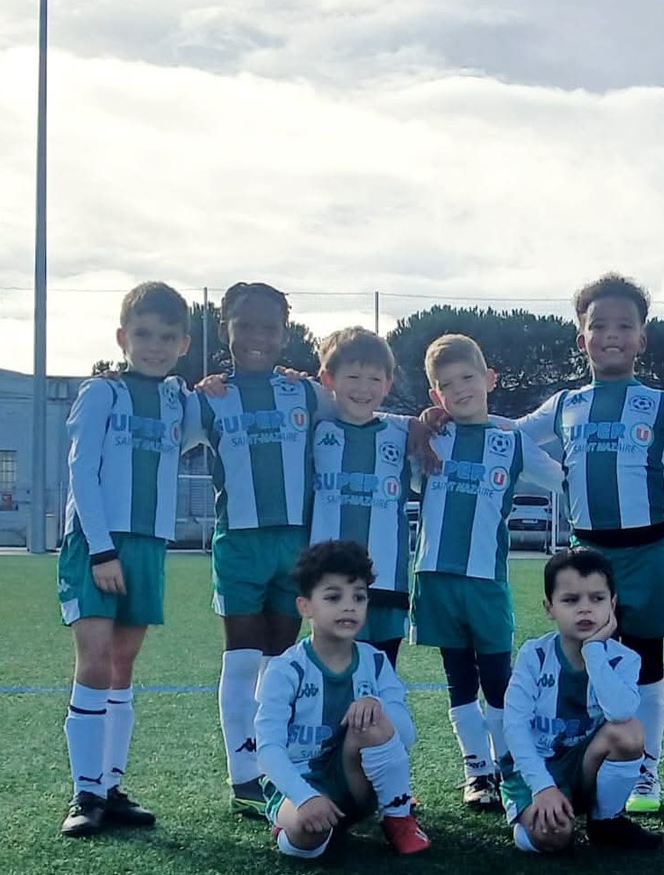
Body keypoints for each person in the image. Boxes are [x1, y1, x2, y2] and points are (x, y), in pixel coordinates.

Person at [510, 274, 664, 813]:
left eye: (624, 326)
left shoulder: (662, 404)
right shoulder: (566, 403)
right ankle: (583, 756)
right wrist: (560, 478)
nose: (612, 335)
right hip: (587, 553)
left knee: (647, 659)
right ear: (581, 339)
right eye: (599, 326)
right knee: (585, 654)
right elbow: (512, 435)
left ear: (642, 338)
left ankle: (646, 771)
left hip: (649, 549)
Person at [187, 281, 329, 816]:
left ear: (285, 334)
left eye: (269, 327)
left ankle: (275, 765)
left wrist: (428, 420)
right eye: (244, 325)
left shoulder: (305, 393)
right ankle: (243, 775)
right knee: (243, 658)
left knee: (280, 661)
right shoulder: (208, 398)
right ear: (224, 328)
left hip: (295, 546)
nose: (256, 336)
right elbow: (163, 433)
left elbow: (364, 407)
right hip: (240, 546)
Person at [57, 282, 192, 836]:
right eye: (143, 334)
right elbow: (81, 471)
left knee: (122, 665)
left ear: (183, 343)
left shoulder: (179, 399)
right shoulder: (101, 393)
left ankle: (111, 787)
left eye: (166, 336)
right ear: (122, 337)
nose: (154, 346)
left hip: (148, 544)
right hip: (98, 544)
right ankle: (85, 793)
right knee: (93, 661)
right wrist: (102, 550)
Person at [414, 333, 563, 810]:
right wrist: (420, 423)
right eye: (446, 384)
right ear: (435, 394)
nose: (459, 389)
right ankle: (476, 771)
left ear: (489, 379)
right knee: (459, 679)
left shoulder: (511, 440)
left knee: (499, 679)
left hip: (487, 582)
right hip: (436, 577)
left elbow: (563, 478)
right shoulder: (429, 435)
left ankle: (508, 766)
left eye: (468, 377)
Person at [255, 540, 430, 858]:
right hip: (300, 783)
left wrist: (378, 706)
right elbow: (267, 749)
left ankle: (398, 818)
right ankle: (289, 824)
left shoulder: (375, 662)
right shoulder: (286, 669)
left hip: (355, 784)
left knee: (373, 721)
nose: (349, 607)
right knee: (308, 834)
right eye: (333, 597)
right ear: (305, 606)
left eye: (358, 597)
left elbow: (406, 735)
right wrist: (304, 797)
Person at [500, 548, 663, 854]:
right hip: (535, 768)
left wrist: (593, 651)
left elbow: (620, 712)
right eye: (571, 600)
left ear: (612, 604)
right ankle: (527, 820)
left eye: (597, 599)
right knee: (555, 837)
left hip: (585, 765)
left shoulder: (624, 659)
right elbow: (514, 726)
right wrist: (542, 786)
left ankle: (605, 821)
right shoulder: (534, 656)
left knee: (629, 732)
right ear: (549, 608)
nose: (585, 609)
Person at [310, 326, 415, 664]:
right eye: (353, 377)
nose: (363, 388)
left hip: (387, 579)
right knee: (335, 671)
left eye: (374, 379)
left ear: (388, 384)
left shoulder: (403, 434)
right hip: (329, 580)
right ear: (328, 379)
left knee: (381, 674)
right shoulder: (315, 429)